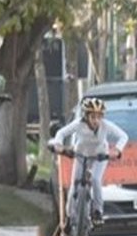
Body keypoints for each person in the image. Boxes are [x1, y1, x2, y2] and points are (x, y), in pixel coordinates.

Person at [48, 97, 129, 227]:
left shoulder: (106, 125)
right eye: (93, 117)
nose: (96, 120)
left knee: (96, 180)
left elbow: (123, 136)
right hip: (81, 155)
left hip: (100, 156)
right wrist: (58, 145)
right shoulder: (79, 124)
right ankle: (69, 216)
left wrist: (117, 150)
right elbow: (61, 133)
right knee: (74, 185)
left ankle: (97, 212)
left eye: (99, 117)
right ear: (86, 116)